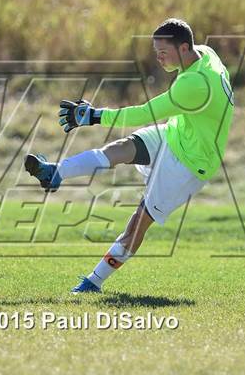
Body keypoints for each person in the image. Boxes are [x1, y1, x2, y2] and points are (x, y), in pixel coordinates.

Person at [24, 18, 234, 293]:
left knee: (138, 224)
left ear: (184, 48)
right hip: (176, 135)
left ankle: (93, 281)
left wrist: (96, 116)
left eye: (163, 52)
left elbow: (144, 112)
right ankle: (55, 174)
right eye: (156, 51)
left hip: (190, 164)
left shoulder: (195, 85)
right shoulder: (204, 53)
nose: (158, 58)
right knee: (120, 149)